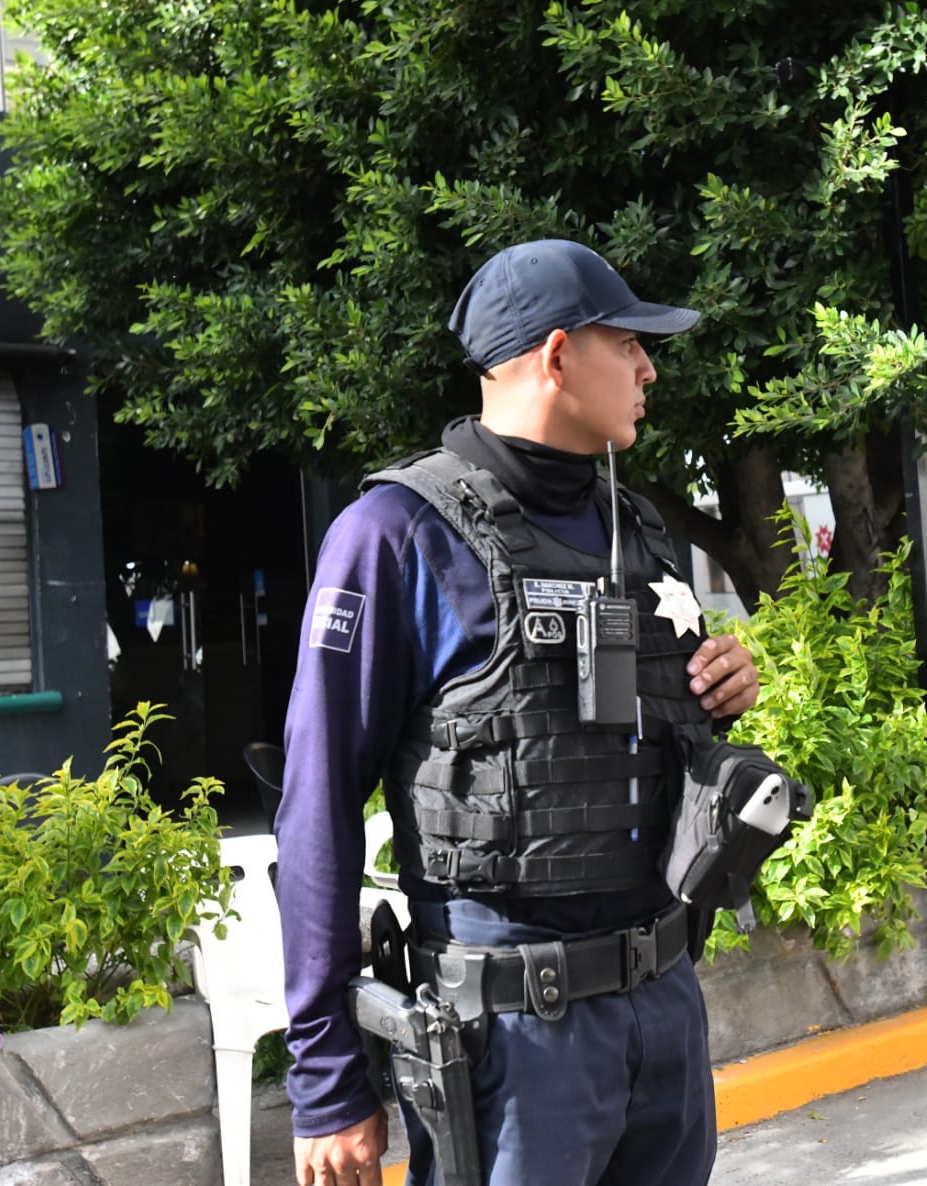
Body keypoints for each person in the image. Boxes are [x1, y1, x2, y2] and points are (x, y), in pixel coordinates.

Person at [275, 238, 760, 1186]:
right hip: (512, 1040)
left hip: (665, 1011)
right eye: (629, 344)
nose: (649, 370)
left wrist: (719, 694)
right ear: (557, 355)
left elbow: (628, 745)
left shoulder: (640, 531)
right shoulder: (395, 536)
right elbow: (315, 808)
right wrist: (327, 1081)